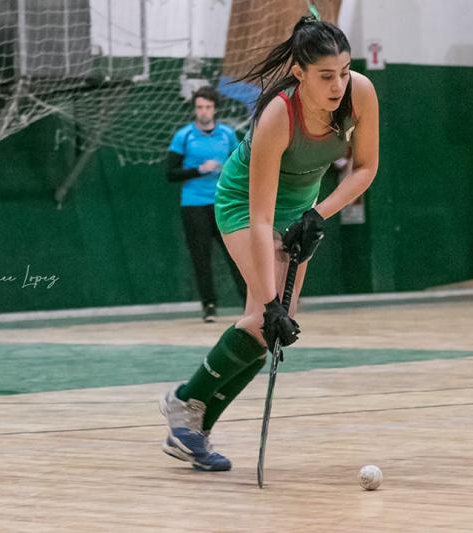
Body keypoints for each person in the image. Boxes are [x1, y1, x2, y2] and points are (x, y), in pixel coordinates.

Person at [159, 14, 379, 471]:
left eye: (343, 71)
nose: (338, 84)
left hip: (299, 209)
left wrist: (318, 214)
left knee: (269, 330)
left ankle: (192, 429)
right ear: (299, 74)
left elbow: (364, 169)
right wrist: (267, 298)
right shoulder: (279, 113)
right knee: (267, 317)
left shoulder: (360, 93)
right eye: (325, 76)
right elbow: (259, 218)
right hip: (245, 205)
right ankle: (185, 402)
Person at [166, 86, 247, 322]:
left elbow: (239, 164)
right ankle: (209, 306)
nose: (204, 112)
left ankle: (249, 304)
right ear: (194, 109)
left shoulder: (227, 134)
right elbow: (170, 173)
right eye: (200, 107)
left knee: (237, 255)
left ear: (215, 109)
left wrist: (226, 169)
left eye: (208, 107)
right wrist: (198, 170)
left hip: (224, 203)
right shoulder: (184, 136)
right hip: (194, 205)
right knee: (201, 257)